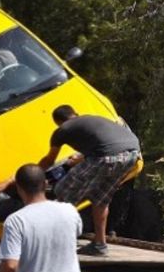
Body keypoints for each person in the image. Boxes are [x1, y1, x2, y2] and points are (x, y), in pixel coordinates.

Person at [38, 104, 141, 256]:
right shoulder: (92, 120)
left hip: (107, 157)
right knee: (100, 199)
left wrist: (32, 174)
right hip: (133, 154)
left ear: (58, 122)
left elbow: (49, 160)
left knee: (62, 191)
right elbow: (105, 143)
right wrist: (80, 159)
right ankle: (99, 245)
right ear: (76, 113)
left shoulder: (63, 130)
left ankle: (55, 242)